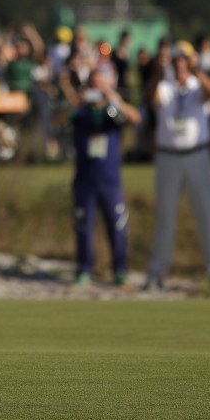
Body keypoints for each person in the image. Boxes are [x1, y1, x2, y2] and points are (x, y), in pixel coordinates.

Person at [145, 43, 210, 290]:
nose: (180, 62)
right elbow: (151, 98)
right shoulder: (165, 84)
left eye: (184, 58)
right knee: (165, 216)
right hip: (168, 156)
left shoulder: (196, 84)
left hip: (197, 155)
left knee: (205, 213)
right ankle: (158, 271)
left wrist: (196, 70)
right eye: (176, 58)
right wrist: (160, 71)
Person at [68, 70, 141, 286]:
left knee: (118, 227)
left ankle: (119, 270)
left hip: (110, 180)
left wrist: (114, 99)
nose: (97, 89)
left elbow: (135, 117)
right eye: (93, 85)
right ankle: (84, 268)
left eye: (101, 85)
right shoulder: (81, 112)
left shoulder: (112, 112)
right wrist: (76, 102)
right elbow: (60, 120)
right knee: (83, 227)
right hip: (84, 179)